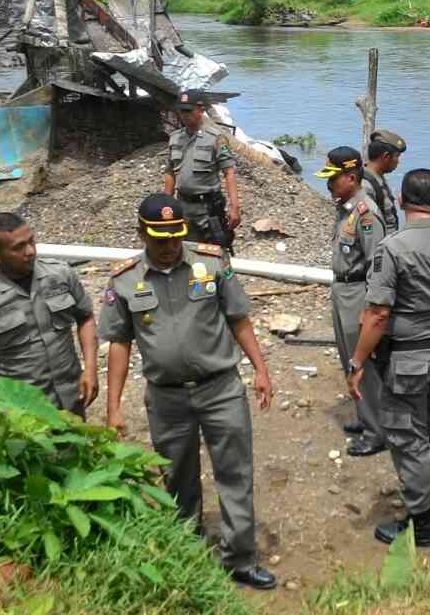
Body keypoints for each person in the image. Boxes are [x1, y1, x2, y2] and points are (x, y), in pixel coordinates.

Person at [100, 194, 277, 590]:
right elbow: (118, 344)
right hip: (167, 399)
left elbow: (239, 319)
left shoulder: (211, 262)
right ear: (142, 232)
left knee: (234, 473)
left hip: (221, 390)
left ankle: (240, 560)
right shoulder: (125, 279)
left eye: (174, 236)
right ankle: (187, 551)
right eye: (159, 238)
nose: (168, 246)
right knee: (177, 477)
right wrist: (113, 407)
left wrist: (261, 368)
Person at [346, 169, 430, 548]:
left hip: (407, 359)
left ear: (402, 201)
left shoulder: (393, 247)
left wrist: (357, 362)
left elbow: (377, 314)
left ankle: (420, 522)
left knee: (408, 437)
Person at [0, 213, 99, 417]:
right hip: (22, 408)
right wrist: (0, 402)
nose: (30, 251)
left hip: (72, 396)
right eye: (18, 248)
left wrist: (91, 369)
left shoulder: (60, 275)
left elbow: (85, 317)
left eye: (31, 241)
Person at [317, 146, 389, 457]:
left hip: (358, 293)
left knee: (364, 364)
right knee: (349, 359)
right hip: (343, 290)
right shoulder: (346, 207)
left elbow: (378, 265)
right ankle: (365, 418)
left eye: (333, 179)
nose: (329, 185)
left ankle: (377, 432)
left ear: (350, 176)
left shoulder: (366, 213)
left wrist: (371, 309)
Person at [162, 90, 241, 252]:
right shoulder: (175, 138)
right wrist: (166, 204)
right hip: (183, 206)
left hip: (208, 208)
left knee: (216, 251)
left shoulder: (216, 138)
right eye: (181, 110)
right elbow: (170, 172)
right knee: (185, 251)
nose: (184, 115)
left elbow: (229, 172)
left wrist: (234, 207)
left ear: (201, 110)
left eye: (188, 111)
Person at [362, 129, 405, 233]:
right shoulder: (365, 186)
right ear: (386, 157)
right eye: (397, 157)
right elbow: (366, 229)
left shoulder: (378, 178)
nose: (398, 162)